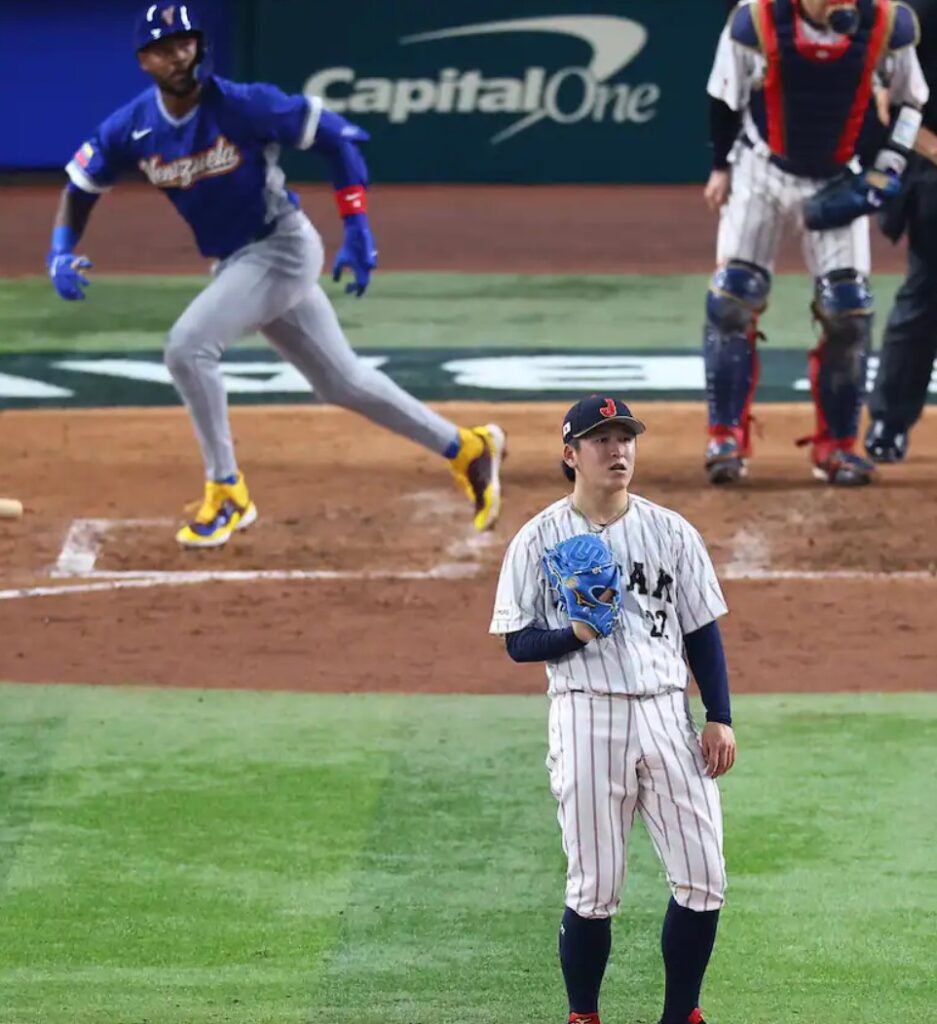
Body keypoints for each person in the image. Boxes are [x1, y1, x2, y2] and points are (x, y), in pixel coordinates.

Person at [47, 1, 505, 547]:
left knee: (188, 348)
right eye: (164, 48)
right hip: (236, 263)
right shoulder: (133, 126)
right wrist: (60, 249)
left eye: (185, 42)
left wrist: (357, 227)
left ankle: (227, 491)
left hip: (281, 248)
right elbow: (81, 185)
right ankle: (468, 449)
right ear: (144, 60)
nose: (179, 55)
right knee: (341, 381)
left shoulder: (244, 104)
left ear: (199, 45)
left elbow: (338, 138)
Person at [490, 395, 737, 1024]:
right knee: (595, 887)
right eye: (601, 440)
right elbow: (517, 641)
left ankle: (681, 1015)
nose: (617, 450)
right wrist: (575, 633)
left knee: (704, 877)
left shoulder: (672, 532)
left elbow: (701, 630)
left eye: (625, 438)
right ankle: (584, 1015)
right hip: (585, 714)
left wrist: (719, 714)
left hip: (666, 713)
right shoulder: (537, 539)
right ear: (571, 455)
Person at [703, 0, 928, 485]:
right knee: (732, 301)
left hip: (838, 173)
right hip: (761, 168)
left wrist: (889, 162)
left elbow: (911, 101)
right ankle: (725, 436)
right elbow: (724, 99)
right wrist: (720, 167)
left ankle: (838, 445)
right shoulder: (754, 21)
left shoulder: (888, 22)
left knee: (849, 312)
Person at [866, 0, 937, 462]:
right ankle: (889, 422)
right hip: (933, 167)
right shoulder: (921, 14)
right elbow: (891, 104)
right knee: (926, 295)